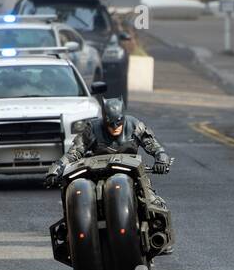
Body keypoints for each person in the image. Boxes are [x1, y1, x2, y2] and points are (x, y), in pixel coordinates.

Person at [45, 97, 175, 251]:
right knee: (75, 195)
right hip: (98, 174)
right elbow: (74, 152)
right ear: (104, 119)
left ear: (123, 118)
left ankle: (160, 236)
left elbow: (154, 146)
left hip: (130, 173)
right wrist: (56, 170)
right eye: (110, 123)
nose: (115, 127)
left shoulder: (135, 125)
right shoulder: (92, 128)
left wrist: (161, 159)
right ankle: (69, 236)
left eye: (118, 122)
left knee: (154, 202)